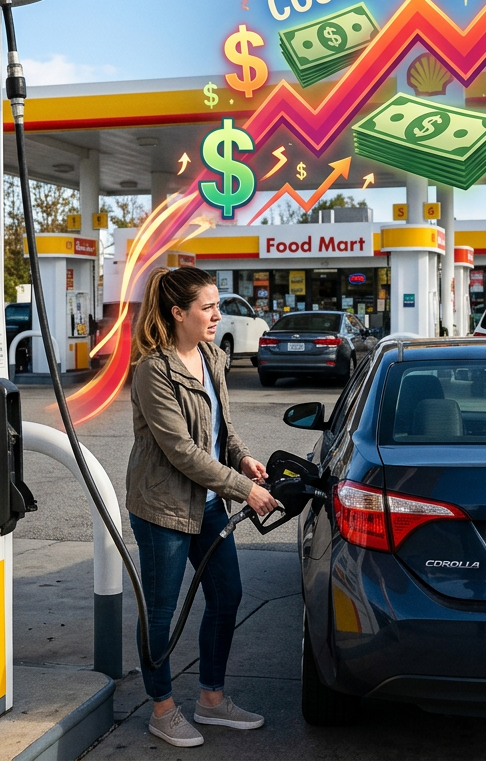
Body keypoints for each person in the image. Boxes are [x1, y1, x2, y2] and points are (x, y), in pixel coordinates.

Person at [128, 267, 280, 747]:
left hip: (209, 504)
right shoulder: (153, 370)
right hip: (164, 509)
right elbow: (182, 450)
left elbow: (219, 431)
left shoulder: (213, 356)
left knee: (227, 595)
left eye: (218, 305)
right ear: (178, 312)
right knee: (161, 611)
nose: (218, 315)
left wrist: (242, 458)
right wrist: (244, 489)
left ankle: (211, 700)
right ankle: (162, 708)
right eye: (208, 307)